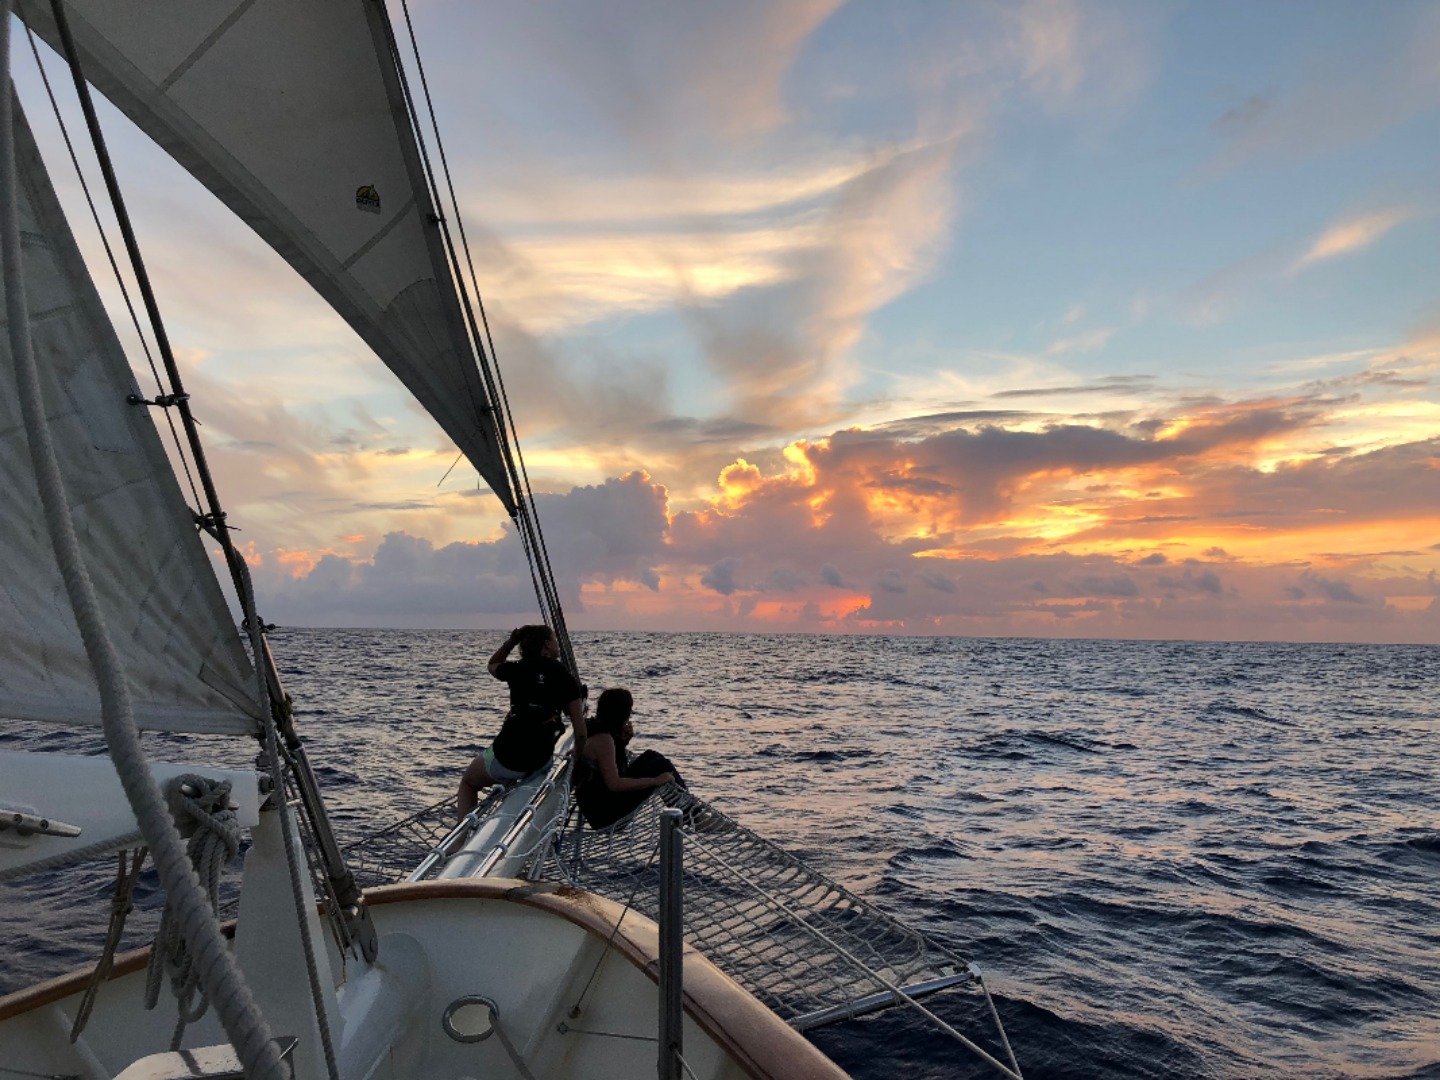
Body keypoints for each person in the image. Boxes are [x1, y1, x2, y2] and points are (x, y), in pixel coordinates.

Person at [457, 625, 586, 818]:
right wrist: (576, 755)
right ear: (547, 645)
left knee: (468, 781)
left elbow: (492, 664)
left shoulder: (516, 669)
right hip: (539, 759)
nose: (557, 645)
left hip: (507, 757)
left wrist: (511, 643)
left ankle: (461, 834)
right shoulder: (564, 676)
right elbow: (581, 733)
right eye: (555, 640)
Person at [575, 687, 684, 829]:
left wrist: (623, 742)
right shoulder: (604, 739)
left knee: (652, 756)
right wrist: (656, 780)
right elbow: (614, 784)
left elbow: (606, 764)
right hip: (606, 814)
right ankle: (694, 817)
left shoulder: (596, 730)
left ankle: (692, 811)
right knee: (660, 766)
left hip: (601, 803)